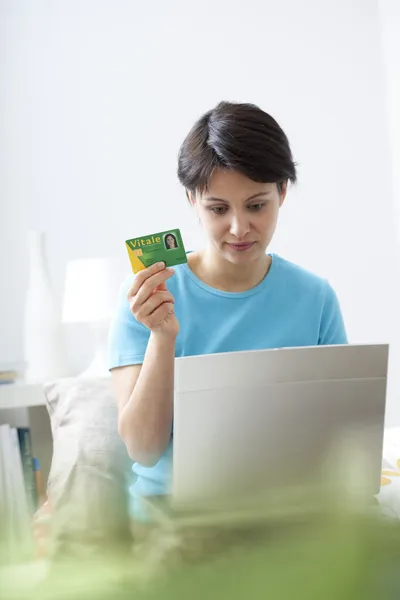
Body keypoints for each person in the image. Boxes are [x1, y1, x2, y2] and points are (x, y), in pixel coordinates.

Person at [108, 101, 347, 521]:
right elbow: (143, 450)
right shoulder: (148, 297)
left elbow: (340, 440)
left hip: (286, 515)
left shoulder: (316, 298)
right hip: (175, 521)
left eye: (256, 205)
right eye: (218, 209)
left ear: (282, 193)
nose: (239, 228)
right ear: (192, 200)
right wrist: (163, 336)